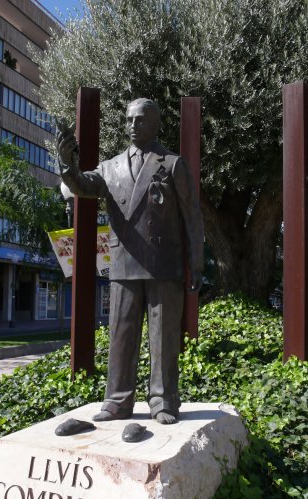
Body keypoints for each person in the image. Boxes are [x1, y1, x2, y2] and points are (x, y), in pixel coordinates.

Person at [58, 98, 204, 424]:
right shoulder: (110, 168)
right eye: (128, 120)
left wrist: (197, 261)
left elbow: (193, 216)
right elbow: (82, 186)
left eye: (140, 119)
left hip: (163, 265)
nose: (133, 125)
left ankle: (164, 400)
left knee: (163, 338)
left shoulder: (172, 164)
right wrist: (67, 165)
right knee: (121, 335)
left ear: (155, 123)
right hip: (125, 262)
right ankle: (117, 400)